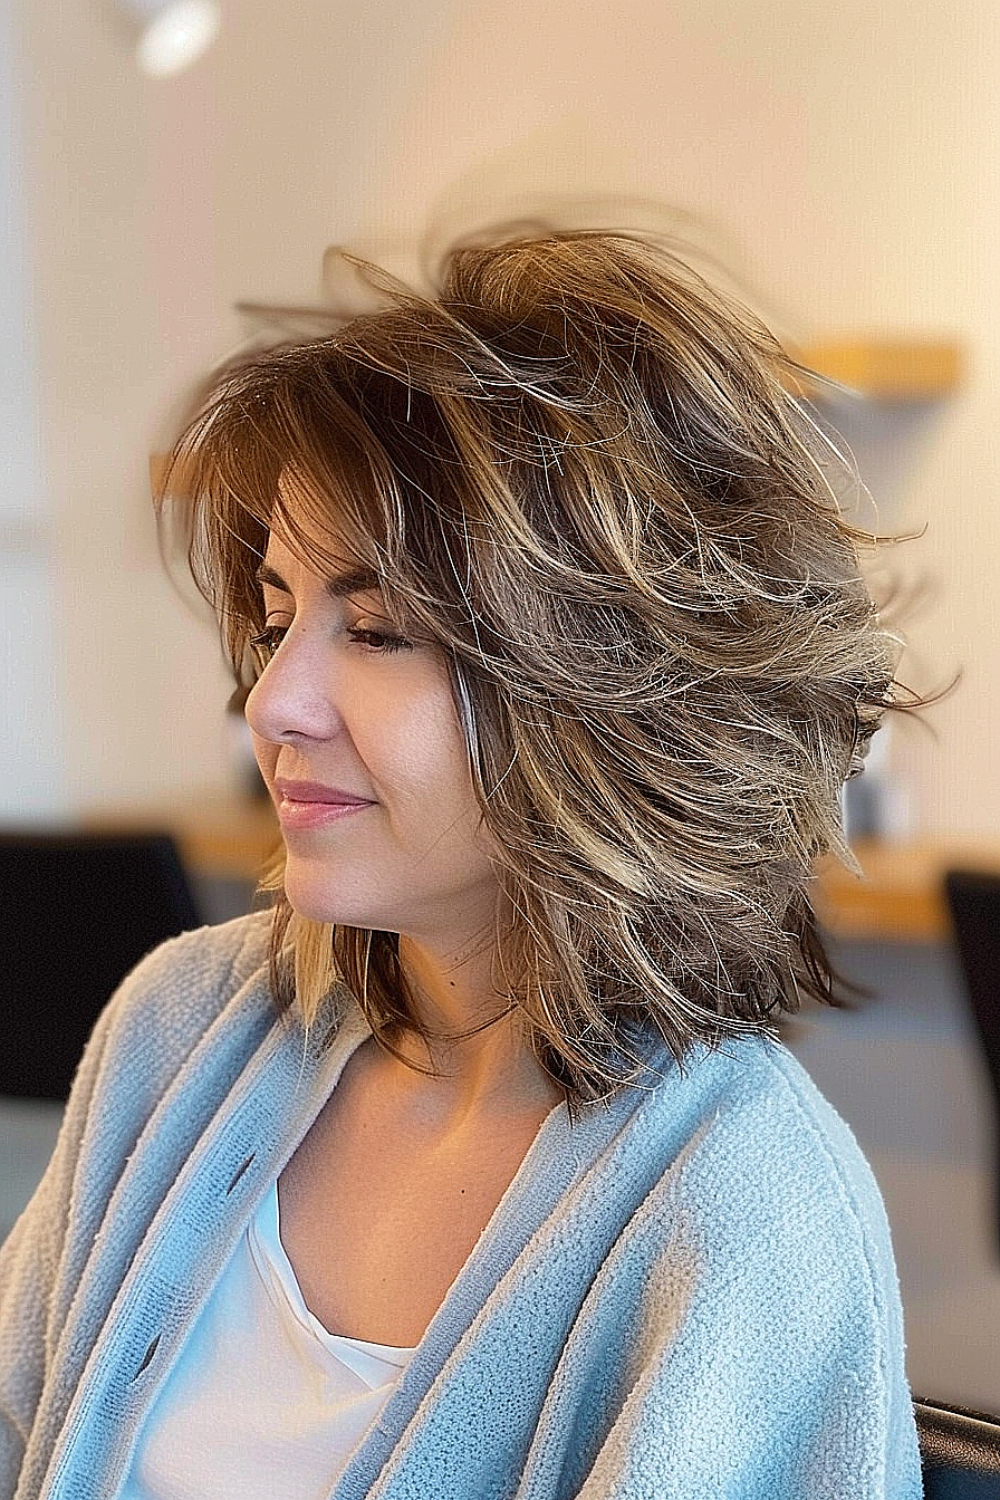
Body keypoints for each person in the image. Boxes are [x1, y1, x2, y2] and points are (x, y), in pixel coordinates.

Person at [0, 226, 926, 1498]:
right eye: (276, 620)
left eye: (376, 630)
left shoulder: (741, 1218)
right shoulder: (183, 1028)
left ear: (604, 691)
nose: (272, 702)